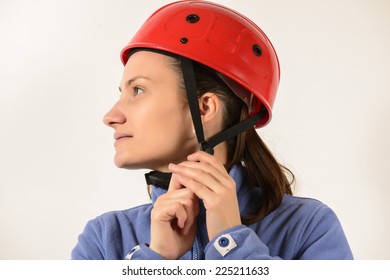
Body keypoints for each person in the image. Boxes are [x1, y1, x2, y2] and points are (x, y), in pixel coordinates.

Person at [71, 0, 353, 260]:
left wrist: (231, 243)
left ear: (204, 109)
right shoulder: (103, 240)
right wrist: (157, 260)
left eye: (138, 90)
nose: (110, 116)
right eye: (123, 92)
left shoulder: (310, 228)